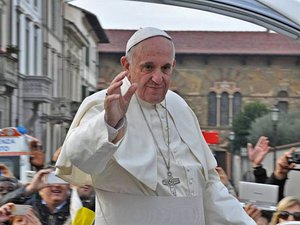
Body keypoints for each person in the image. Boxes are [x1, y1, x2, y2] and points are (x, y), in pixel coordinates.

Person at [55, 27, 255, 225]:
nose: (158, 78)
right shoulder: (103, 104)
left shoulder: (179, 107)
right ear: (126, 65)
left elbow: (209, 186)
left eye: (165, 68)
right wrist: (109, 123)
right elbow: (79, 158)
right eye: (148, 67)